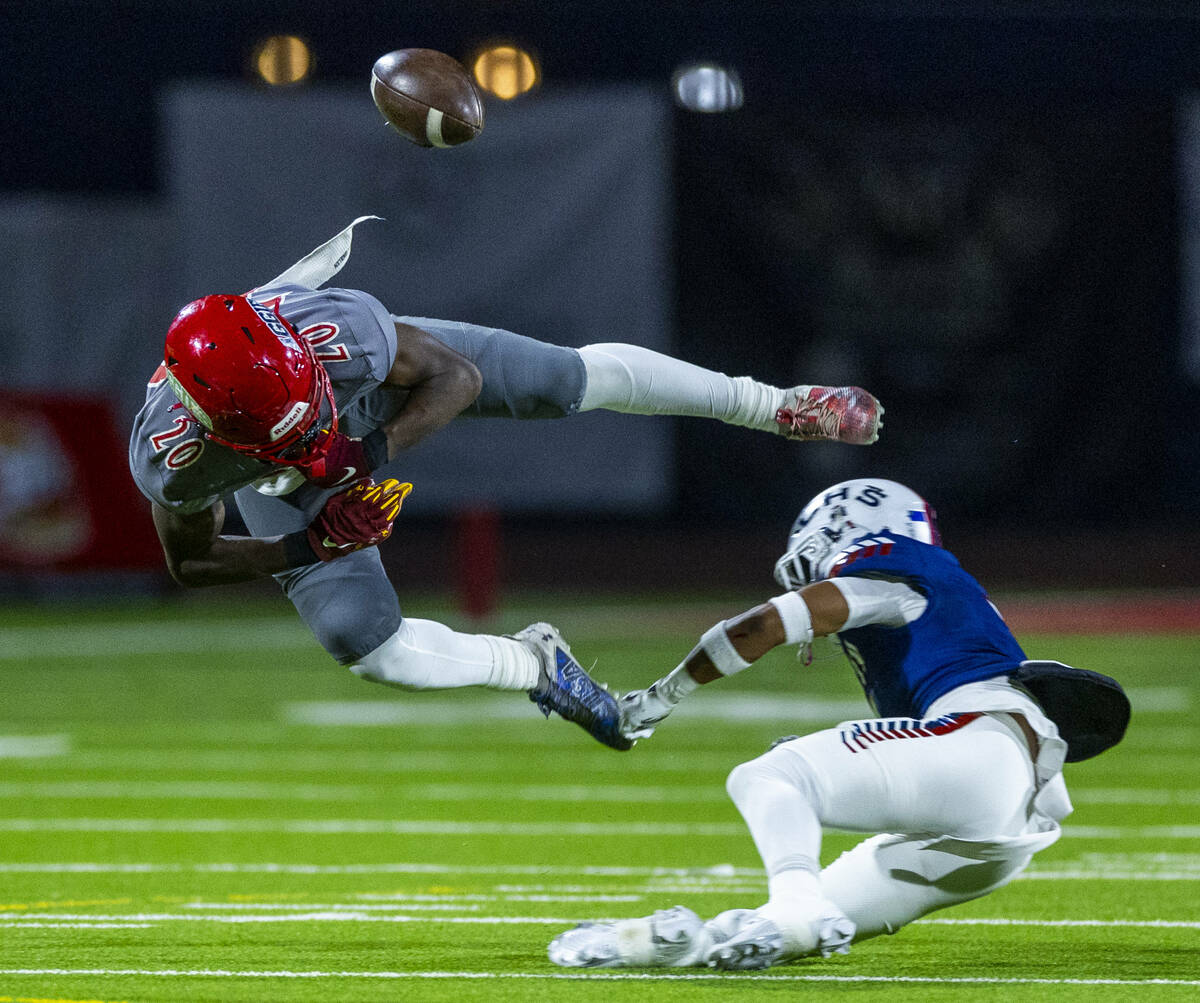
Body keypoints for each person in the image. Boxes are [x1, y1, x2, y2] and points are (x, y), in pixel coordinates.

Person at [127, 218, 884, 753]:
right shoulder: (179, 459)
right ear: (217, 432)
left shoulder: (332, 337)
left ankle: (775, 403)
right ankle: (538, 667)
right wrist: (306, 541)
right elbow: (191, 562)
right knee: (371, 648)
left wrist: (363, 453)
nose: (306, 423)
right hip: (287, 491)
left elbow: (457, 376)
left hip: (363, 413)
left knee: (560, 377)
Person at [548, 478, 1130, 968]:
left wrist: (653, 701)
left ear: (840, 527)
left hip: (980, 745)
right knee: (780, 929)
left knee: (770, 777)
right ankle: (675, 943)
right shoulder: (947, 588)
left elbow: (762, 627)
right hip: (1002, 827)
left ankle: (798, 906)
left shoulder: (896, 562)